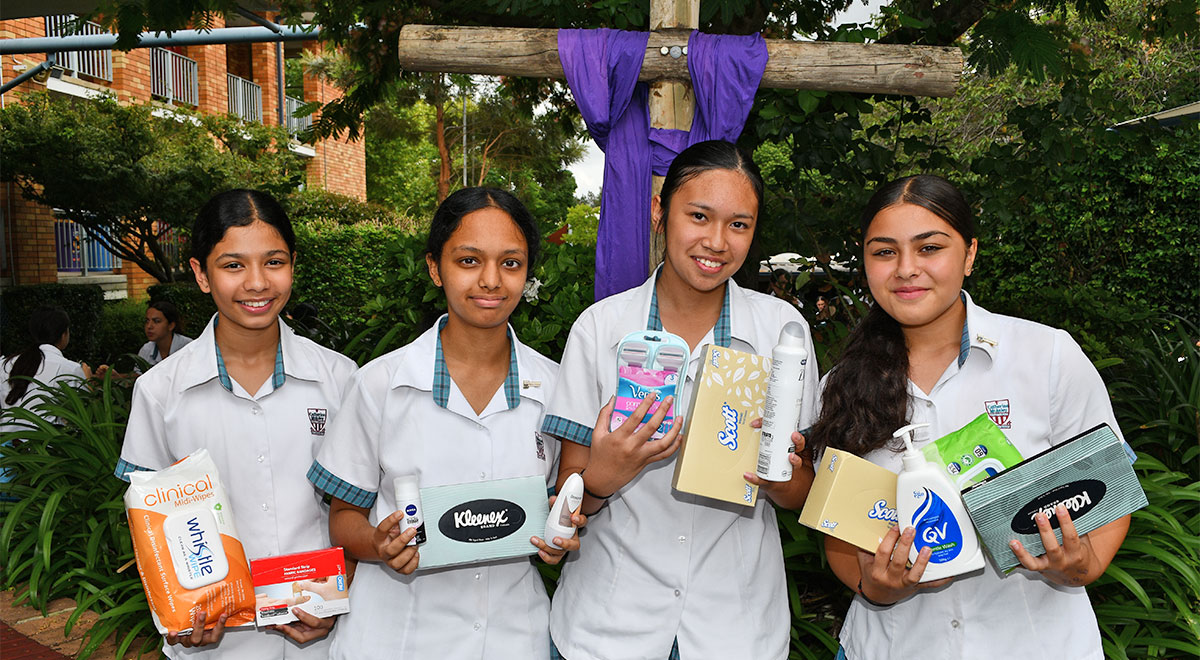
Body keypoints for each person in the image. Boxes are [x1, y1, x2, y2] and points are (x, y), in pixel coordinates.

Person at [810, 174, 1131, 660]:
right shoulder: (840, 385)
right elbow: (841, 541)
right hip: (896, 647)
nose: (906, 269)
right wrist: (880, 587)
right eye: (884, 252)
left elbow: (1109, 492)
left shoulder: (1047, 356)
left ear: (970, 254)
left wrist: (1077, 563)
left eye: (929, 248)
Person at [541, 140, 820, 660]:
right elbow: (569, 492)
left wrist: (773, 468)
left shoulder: (782, 334)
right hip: (608, 627)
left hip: (735, 630)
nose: (716, 241)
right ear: (658, 212)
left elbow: (801, 493)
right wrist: (606, 472)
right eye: (698, 216)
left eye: (739, 224)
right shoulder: (600, 329)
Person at [308, 187, 579, 660]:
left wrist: (560, 533)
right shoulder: (380, 385)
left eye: (511, 263)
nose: (491, 281)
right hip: (396, 637)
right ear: (435, 268)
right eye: (469, 261)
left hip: (515, 637)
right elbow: (342, 519)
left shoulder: (556, 387)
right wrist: (377, 542)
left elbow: (564, 504)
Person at [115, 189, 358, 659]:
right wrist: (181, 612)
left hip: (324, 631)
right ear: (200, 275)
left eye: (274, 261)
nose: (256, 282)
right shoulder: (161, 390)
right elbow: (151, 526)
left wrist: (342, 585)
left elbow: (360, 505)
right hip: (215, 641)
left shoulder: (341, 378)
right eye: (232, 266)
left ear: (293, 265)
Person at [2, 306, 89, 417]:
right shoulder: (70, 369)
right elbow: (84, 414)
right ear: (64, 335)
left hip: (7, 432)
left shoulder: (7, 364)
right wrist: (88, 382)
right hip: (48, 433)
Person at [137, 300, 192, 370]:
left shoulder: (188, 347)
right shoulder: (146, 350)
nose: (149, 326)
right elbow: (138, 376)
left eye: (156, 321)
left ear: (171, 325)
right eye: (147, 321)